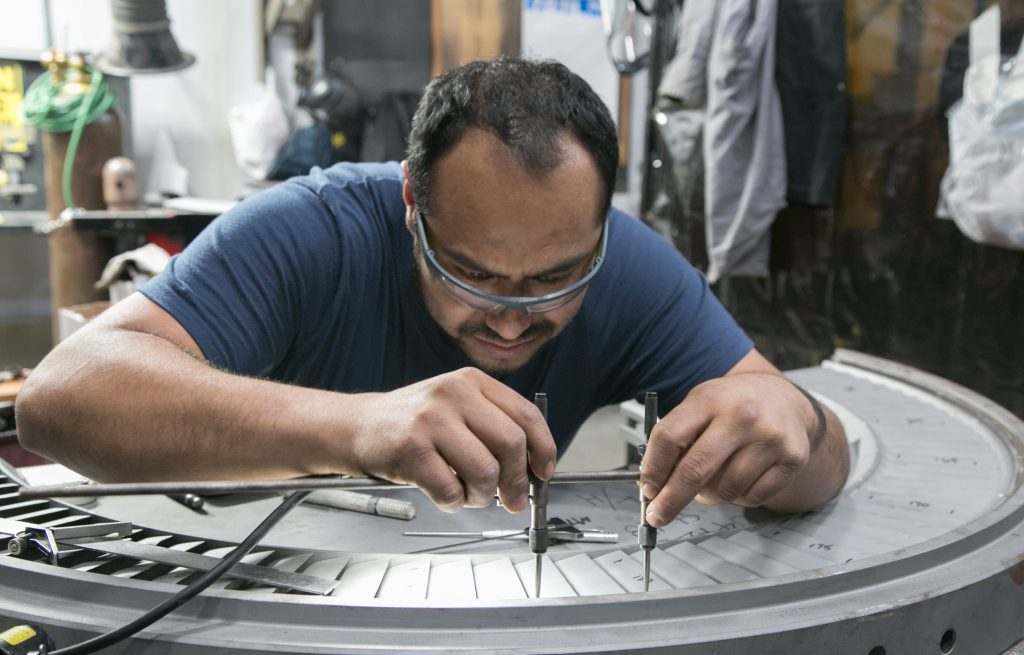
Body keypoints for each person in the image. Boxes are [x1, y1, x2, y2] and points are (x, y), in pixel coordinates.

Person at [15, 56, 849, 527]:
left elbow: (821, 458)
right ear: (411, 203)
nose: (516, 316)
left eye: (557, 276)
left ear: (599, 225)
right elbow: (59, 400)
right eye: (475, 272)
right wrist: (356, 426)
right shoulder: (313, 230)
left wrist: (796, 427)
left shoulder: (625, 265)